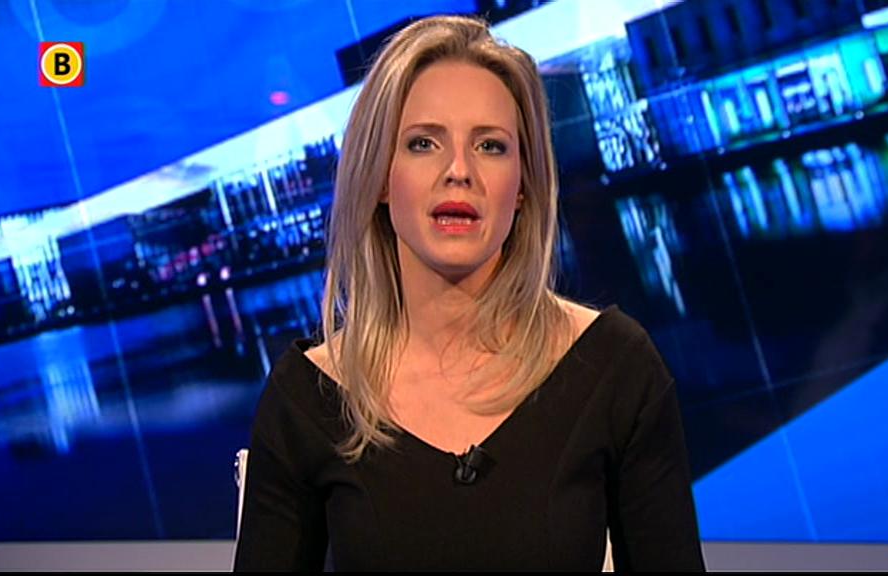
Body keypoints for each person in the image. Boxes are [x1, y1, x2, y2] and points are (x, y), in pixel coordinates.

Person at [234, 14, 704, 571]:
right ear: (380, 177)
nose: (459, 171)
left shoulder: (616, 368)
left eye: (490, 146)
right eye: (423, 143)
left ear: (523, 184)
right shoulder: (309, 399)